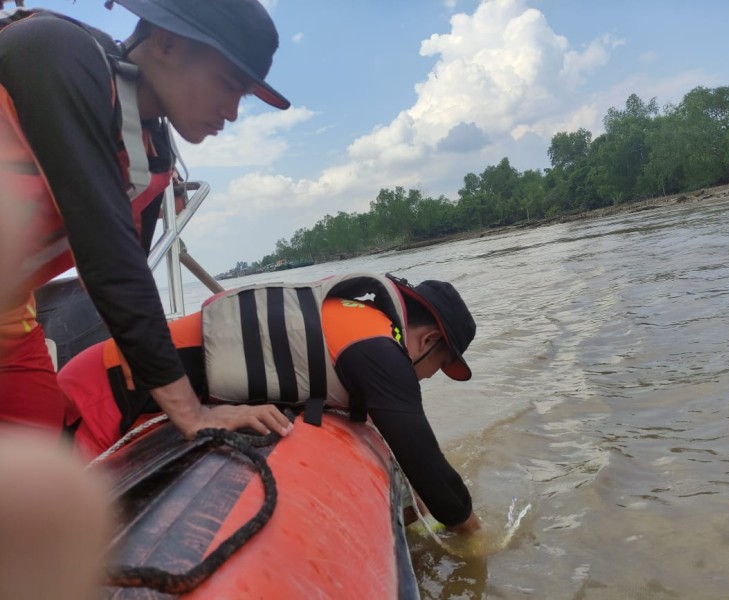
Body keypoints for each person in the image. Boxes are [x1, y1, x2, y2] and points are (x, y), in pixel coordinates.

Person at [0, 0, 291, 439]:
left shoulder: (152, 154)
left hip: (8, 317)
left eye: (243, 96)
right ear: (167, 43)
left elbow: (132, 279)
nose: (232, 112)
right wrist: (192, 413)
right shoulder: (53, 50)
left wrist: (156, 383)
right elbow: (108, 256)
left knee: (39, 442)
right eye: (228, 84)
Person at [60, 273, 483, 534]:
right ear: (428, 340)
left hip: (115, 377)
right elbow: (425, 461)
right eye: (438, 365)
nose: (429, 376)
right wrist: (475, 533)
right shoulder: (378, 349)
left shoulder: (360, 321)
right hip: (107, 392)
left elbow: (407, 449)